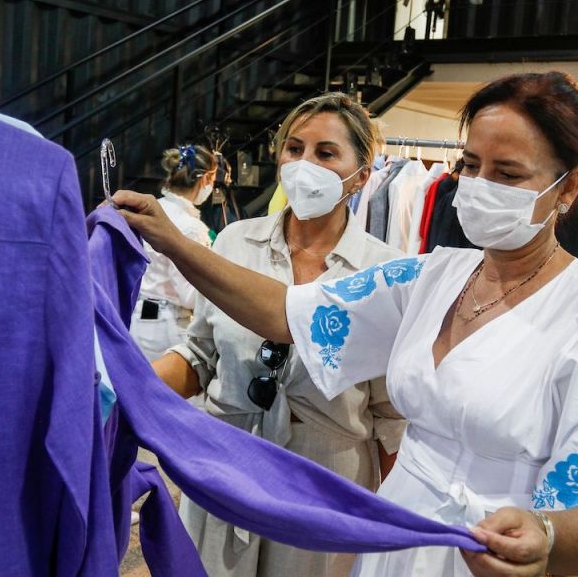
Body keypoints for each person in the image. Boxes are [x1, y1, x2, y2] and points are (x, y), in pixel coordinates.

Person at [115, 72, 578, 576]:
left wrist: (547, 536)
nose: (478, 186)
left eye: (509, 175)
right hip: (398, 530)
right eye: (470, 165)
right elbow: (286, 313)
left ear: (566, 187)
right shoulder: (433, 277)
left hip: (491, 547)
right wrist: (170, 237)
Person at [150, 93, 407, 577]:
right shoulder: (232, 242)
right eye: (294, 148)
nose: (303, 164)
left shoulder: (384, 273)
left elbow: (392, 416)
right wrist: (128, 386)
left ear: (362, 176)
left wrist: (386, 526)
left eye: (326, 153)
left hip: (325, 482)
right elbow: (200, 354)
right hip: (227, 465)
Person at [128, 144, 216, 360]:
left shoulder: (152, 209)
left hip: (136, 320)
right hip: (166, 328)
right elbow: (189, 295)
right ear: (204, 179)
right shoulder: (189, 226)